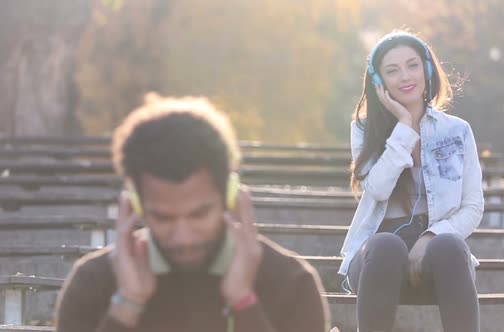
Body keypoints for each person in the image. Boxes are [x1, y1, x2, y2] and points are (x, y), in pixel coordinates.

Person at [55, 95, 329, 332]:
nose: (183, 236)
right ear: (135, 205)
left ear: (229, 196)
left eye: (199, 214)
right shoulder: (92, 283)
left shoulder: (291, 283)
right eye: (163, 218)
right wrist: (126, 305)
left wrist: (244, 303)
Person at [338, 30, 484, 332]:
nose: (405, 76)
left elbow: (472, 207)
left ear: (427, 69)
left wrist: (428, 238)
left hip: (438, 262)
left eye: (412, 65)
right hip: (375, 260)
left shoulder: (457, 131)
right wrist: (404, 127)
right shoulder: (364, 130)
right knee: (387, 246)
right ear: (379, 83)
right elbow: (376, 189)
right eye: (392, 70)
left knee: (450, 247)